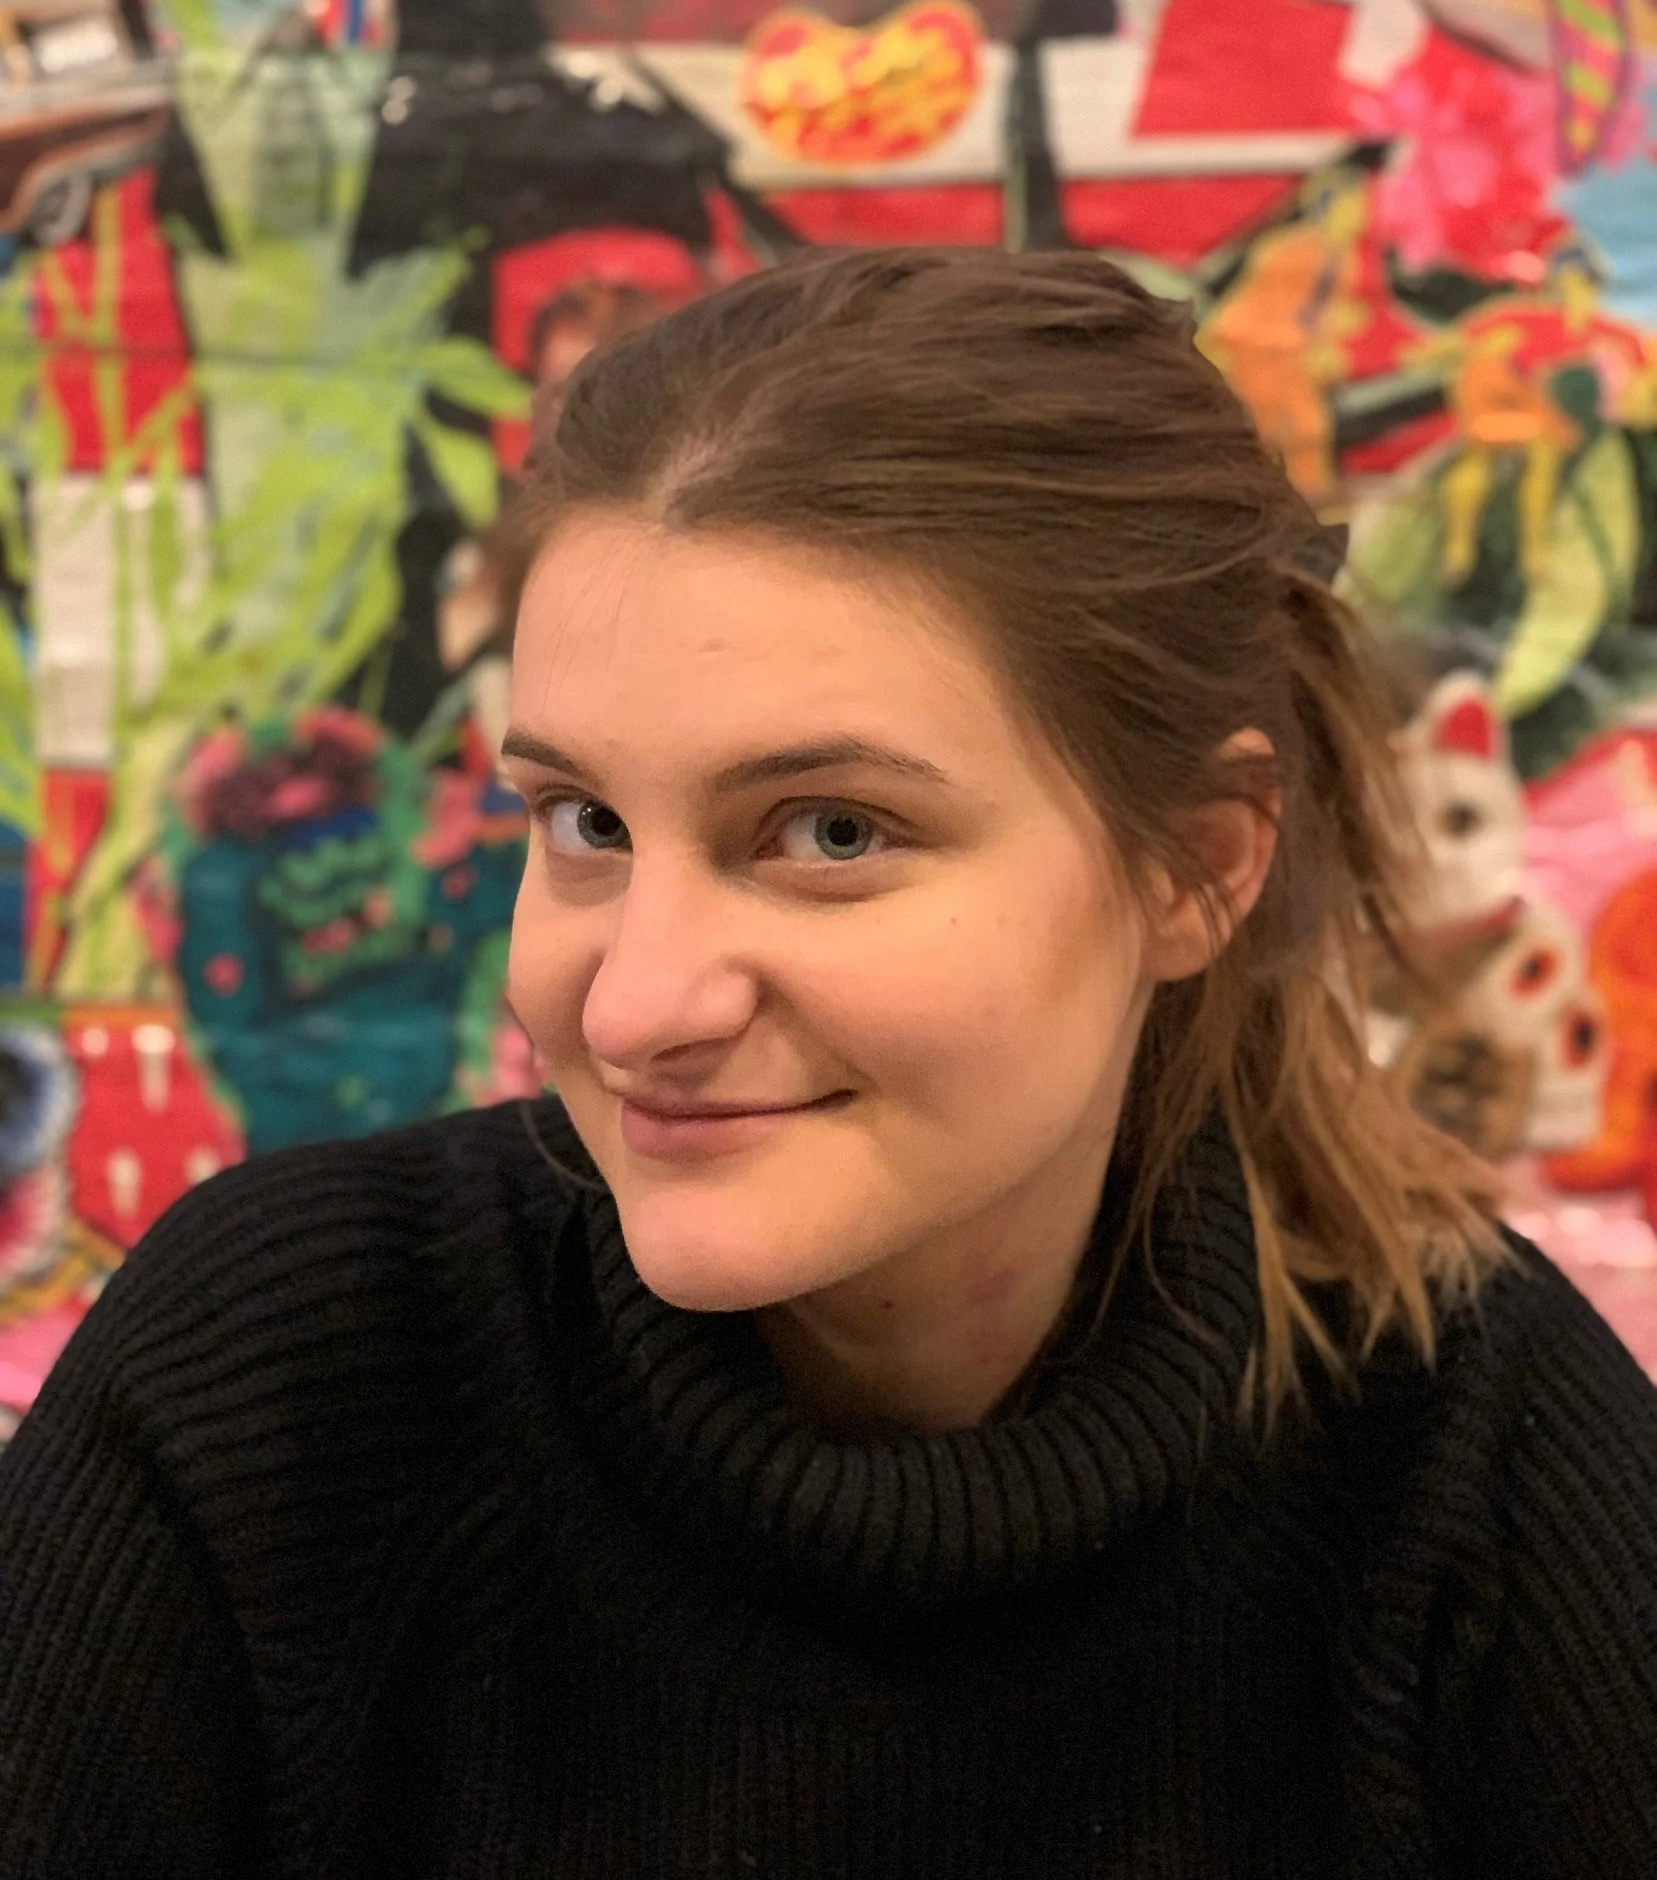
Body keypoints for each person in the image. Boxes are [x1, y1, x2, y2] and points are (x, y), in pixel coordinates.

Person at [4, 247, 1657, 1877]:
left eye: (831, 831)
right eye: (583, 822)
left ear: (1199, 867)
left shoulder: (1477, 1465)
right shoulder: (277, 1399)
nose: (636, 1004)